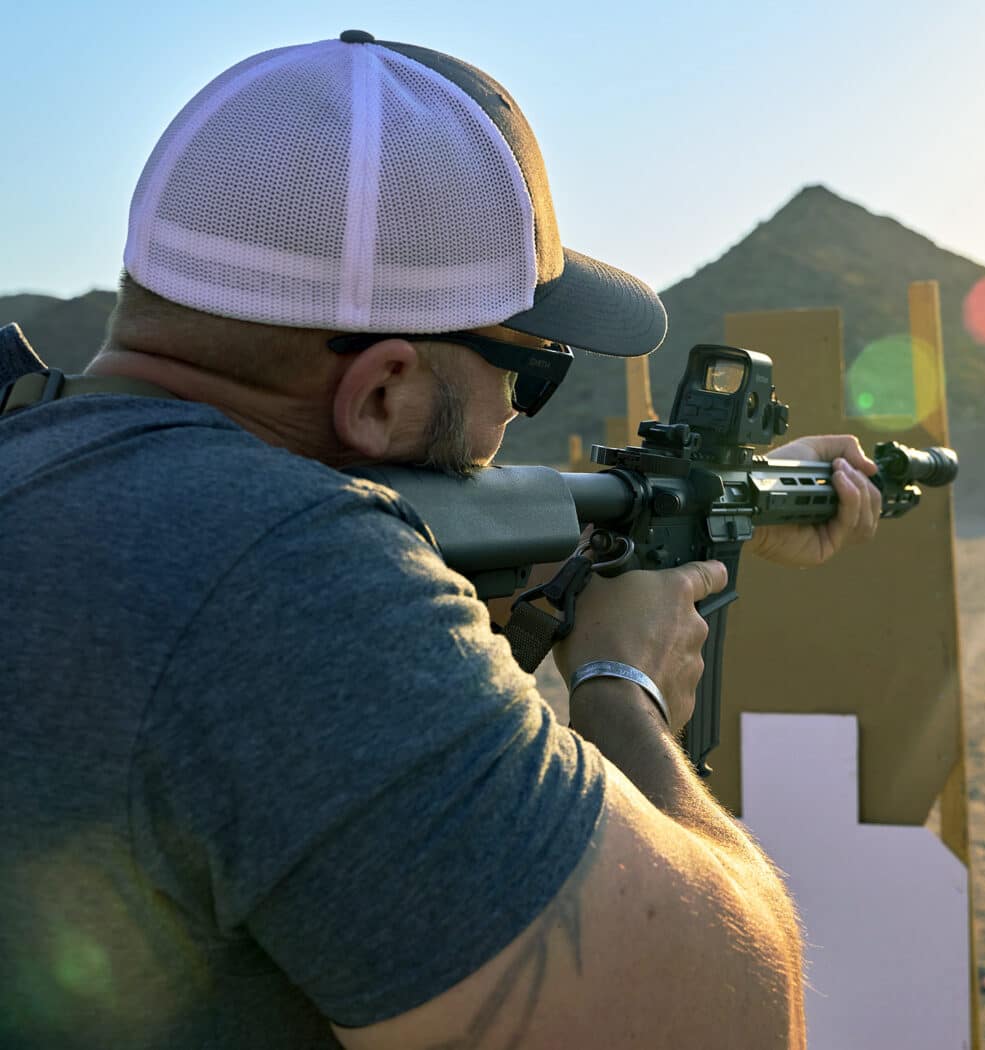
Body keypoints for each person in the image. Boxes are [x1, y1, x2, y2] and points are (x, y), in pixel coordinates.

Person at [0, 31, 884, 1049]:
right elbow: (729, 1020)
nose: (518, 421)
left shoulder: (47, 470)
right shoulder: (284, 580)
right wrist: (620, 687)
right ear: (380, 394)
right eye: (525, 375)